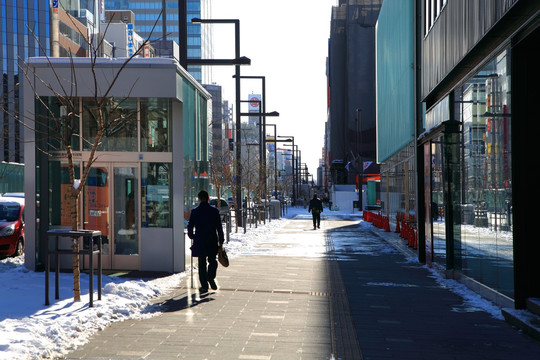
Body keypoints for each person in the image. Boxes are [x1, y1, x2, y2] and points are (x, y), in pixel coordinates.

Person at [187, 190, 225, 293]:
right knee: (212, 261)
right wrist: (221, 240)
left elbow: (190, 226)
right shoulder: (214, 211)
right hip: (212, 240)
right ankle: (211, 277)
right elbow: (219, 228)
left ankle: (204, 285)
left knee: (202, 263)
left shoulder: (195, 212)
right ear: (208, 198)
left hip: (200, 240)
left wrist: (192, 236)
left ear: (199, 199)